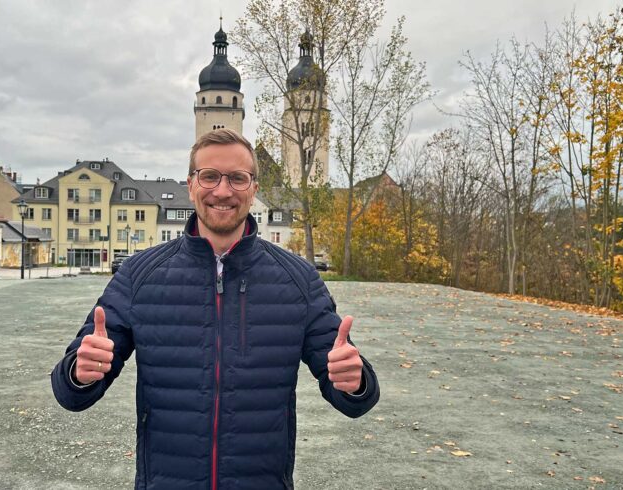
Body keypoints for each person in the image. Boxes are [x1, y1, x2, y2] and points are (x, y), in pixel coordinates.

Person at [51, 128, 380, 489]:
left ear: (254, 189)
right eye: (210, 176)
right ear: (190, 184)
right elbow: (69, 392)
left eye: (238, 179)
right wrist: (80, 373)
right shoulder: (139, 276)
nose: (223, 191)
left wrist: (354, 381)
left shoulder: (298, 280)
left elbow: (354, 398)